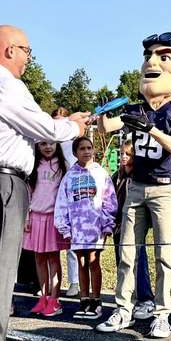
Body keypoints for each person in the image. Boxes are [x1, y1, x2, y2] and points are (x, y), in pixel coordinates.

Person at [0, 24, 88, 341]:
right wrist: (72, 124)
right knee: (0, 275)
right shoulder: (1, 83)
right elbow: (43, 127)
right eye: (27, 51)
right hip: (2, 184)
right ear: (9, 50)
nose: (29, 59)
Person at [96, 32, 171, 339]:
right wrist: (103, 114)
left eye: (163, 56)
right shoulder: (139, 110)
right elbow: (107, 128)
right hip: (137, 186)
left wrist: (151, 128)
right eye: (148, 57)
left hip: (166, 188)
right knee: (127, 251)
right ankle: (123, 309)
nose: (151, 62)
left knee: (163, 254)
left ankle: (162, 312)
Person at [55, 136, 117, 320]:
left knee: (93, 260)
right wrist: (64, 226)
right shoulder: (70, 175)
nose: (87, 151)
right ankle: (84, 300)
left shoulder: (101, 173)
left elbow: (109, 199)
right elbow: (62, 202)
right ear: (75, 152)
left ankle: (96, 300)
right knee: (81, 261)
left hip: (95, 226)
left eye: (89, 148)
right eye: (82, 148)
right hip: (77, 227)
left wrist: (107, 222)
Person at [23, 141, 69, 317]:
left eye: (51, 143)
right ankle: (43, 297)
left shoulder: (63, 166)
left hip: (53, 218)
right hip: (35, 216)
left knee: (53, 259)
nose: (47, 147)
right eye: (43, 144)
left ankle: (55, 299)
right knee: (39, 258)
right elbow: (28, 193)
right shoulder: (32, 166)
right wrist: (27, 216)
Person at [111, 139, 155, 319]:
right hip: (118, 226)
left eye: (128, 154)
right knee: (122, 263)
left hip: (135, 226)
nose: (123, 157)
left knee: (139, 260)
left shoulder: (140, 176)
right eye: (122, 153)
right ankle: (128, 297)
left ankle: (145, 298)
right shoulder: (117, 176)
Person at [51, 106, 80, 298]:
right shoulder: (48, 143)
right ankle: (50, 284)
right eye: (56, 120)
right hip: (51, 196)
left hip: (71, 196)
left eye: (63, 120)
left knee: (71, 243)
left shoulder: (73, 141)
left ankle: (75, 282)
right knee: (50, 244)